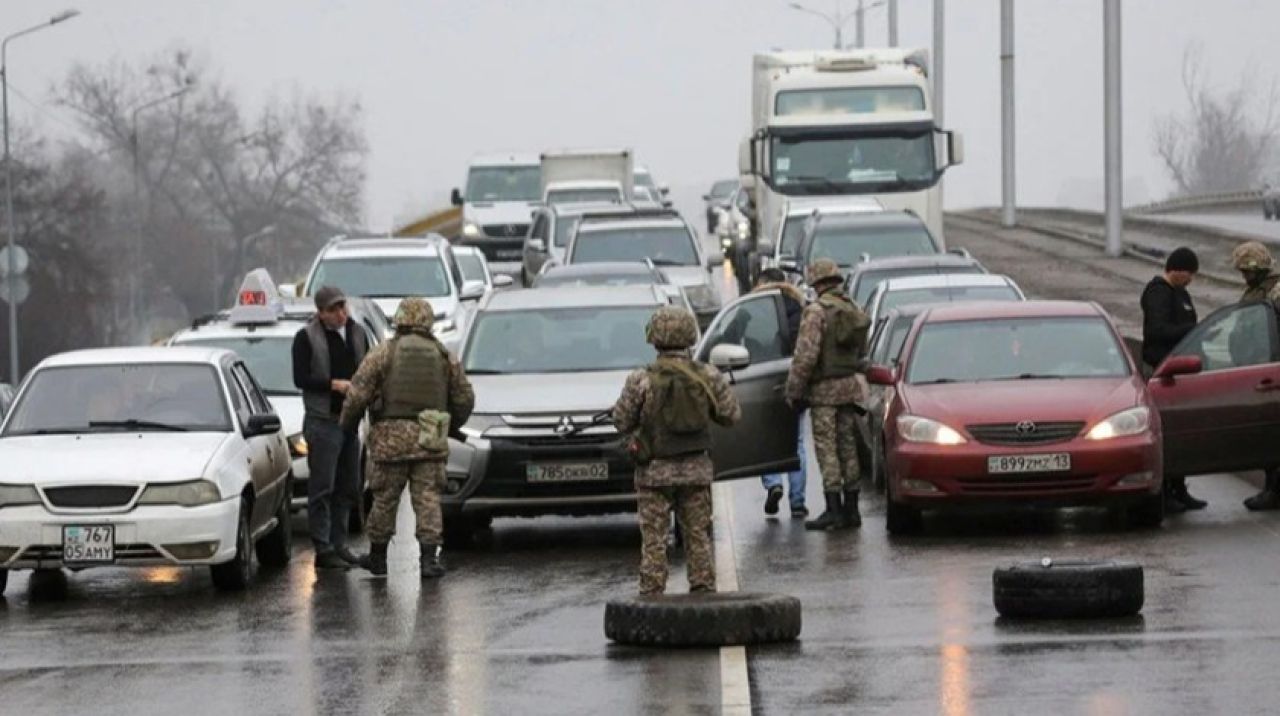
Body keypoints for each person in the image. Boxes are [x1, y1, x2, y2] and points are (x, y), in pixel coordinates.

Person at [339, 298, 475, 578]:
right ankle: (428, 560)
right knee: (428, 500)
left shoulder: (383, 353)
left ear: (399, 319)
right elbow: (464, 397)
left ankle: (377, 558)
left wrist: (347, 425)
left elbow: (357, 393)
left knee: (384, 499)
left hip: (391, 441)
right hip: (430, 439)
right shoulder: (443, 355)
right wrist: (449, 424)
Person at [613, 306, 741, 596]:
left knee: (654, 539)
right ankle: (703, 590)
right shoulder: (707, 375)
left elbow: (621, 420)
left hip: (654, 473)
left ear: (654, 338)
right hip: (696, 471)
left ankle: (652, 594)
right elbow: (731, 415)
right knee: (698, 535)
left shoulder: (641, 379)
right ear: (690, 336)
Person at [786, 259, 871, 531]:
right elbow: (862, 352)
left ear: (817, 283)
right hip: (849, 388)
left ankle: (833, 510)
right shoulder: (852, 308)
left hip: (824, 391)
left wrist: (794, 390)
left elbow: (806, 355)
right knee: (848, 447)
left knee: (827, 450)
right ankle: (852, 510)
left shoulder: (817, 311)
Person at [292, 286, 370, 570]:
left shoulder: (357, 333)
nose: (340, 314)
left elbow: (369, 368)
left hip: (350, 420)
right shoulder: (306, 338)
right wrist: (332, 385)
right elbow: (300, 378)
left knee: (347, 485)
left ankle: (340, 544)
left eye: (342, 307)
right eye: (333, 310)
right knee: (322, 487)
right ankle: (323, 548)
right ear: (321, 313)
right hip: (323, 421)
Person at [1140, 247, 1204, 512]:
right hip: (1161, 371)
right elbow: (1158, 330)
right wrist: (1192, 331)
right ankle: (1166, 490)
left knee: (1181, 431)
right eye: (1188, 273)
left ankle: (1179, 488)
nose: (1190, 279)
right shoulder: (1157, 293)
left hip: (1180, 371)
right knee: (1166, 431)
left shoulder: (1181, 293)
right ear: (1176, 270)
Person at [753, 268, 809, 518]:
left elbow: (745, 339)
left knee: (766, 439)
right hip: (792, 379)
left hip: (762, 379)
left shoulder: (756, 309)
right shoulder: (799, 308)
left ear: (762, 283)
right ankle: (797, 501)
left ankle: (773, 483)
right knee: (796, 442)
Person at [1232, 241, 1280, 511]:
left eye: (1246, 271)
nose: (1244, 277)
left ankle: (1273, 490)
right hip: (1259, 368)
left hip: (1270, 370)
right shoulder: (1256, 290)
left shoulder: (1274, 291)